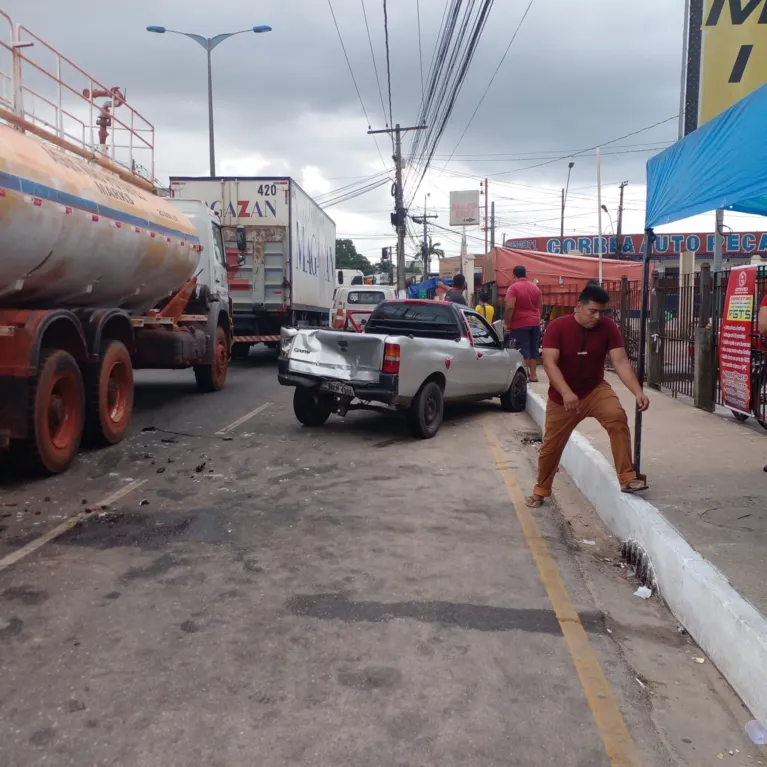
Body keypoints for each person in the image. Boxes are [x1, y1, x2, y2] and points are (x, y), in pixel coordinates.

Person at [525, 283, 650, 508]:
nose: (597, 317)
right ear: (578, 307)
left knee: (617, 418)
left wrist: (637, 391)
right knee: (551, 448)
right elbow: (550, 364)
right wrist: (566, 392)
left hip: (595, 389)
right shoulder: (557, 327)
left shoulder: (609, 328)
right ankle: (541, 491)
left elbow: (620, 362)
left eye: (602, 312)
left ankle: (627, 477)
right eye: (592, 311)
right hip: (562, 398)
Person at [504, 265, 542, 382]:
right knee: (533, 348)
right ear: (525, 274)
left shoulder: (513, 288)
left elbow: (510, 307)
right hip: (535, 322)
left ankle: (524, 375)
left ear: (514, 275)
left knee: (522, 349)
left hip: (520, 323)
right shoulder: (535, 288)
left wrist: (507, 323)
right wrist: (537, 319)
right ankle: (533, 375)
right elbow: (540, 306)